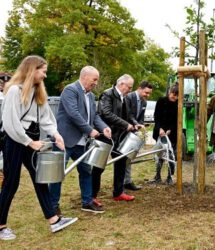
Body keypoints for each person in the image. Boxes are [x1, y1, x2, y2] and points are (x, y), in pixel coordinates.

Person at [0, 56, 77, 240]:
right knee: (11, 182)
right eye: (43, 70)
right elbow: (10, 123)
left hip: (31, 140)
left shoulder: (37, 91)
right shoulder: (14, 91)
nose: (45, 74)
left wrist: (56, 134)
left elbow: (45, 118)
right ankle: (1, 225)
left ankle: (53, 220)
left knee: (40, 179)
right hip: (15, 140)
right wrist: (29, 142)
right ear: (32, 70)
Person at [49, 66, 112, 215]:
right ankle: (52, 206)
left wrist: (104, 128)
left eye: (97, 80)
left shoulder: (90, 96)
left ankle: (87, 202)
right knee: (58, 173)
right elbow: (73, 114)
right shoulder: (70, 90)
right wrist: (90, 130)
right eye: (94, 79)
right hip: (64, 140)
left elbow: (95, 116)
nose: (96, 83)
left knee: (86, 171)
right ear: (84, 77)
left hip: (81, 142)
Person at [92, 74, 135, 203]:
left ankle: (118, 192)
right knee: (98, 166)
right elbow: (106, 113)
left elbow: (129, 115)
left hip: (120, 136)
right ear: (121, 84)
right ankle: (92, 196)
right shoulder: (107, 94)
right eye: (129, 87)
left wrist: (134, 123)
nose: (130, 90)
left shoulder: (125, 98)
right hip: (105, 135)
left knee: (121, 163)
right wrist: (125, 124)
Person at [123, 81, 153, 190]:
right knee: (122, 158)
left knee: (129, 157)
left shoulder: (144, 102)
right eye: (146, 93)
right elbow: (128, 114)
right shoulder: (129, 97)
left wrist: (141, 125)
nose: (147, 95)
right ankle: (121, 182)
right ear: (139, 88)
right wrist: (136, 123)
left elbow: (140, 117)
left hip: (133, 131)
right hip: (123, 130)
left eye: (149, 93)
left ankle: (127, 181)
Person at [149, 84, 179, 185]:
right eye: (172, 94)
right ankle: (157, 175)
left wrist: (170, 129)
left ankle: (170, 176)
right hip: (160, 131)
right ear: (169, 92)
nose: (173, 96)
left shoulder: (179, 104)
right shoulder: (161, 101)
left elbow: (177, 120)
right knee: (159, 154)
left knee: (171, 155)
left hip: (172, 133)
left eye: (176, 95)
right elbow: (156, 116)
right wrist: (160, 129)